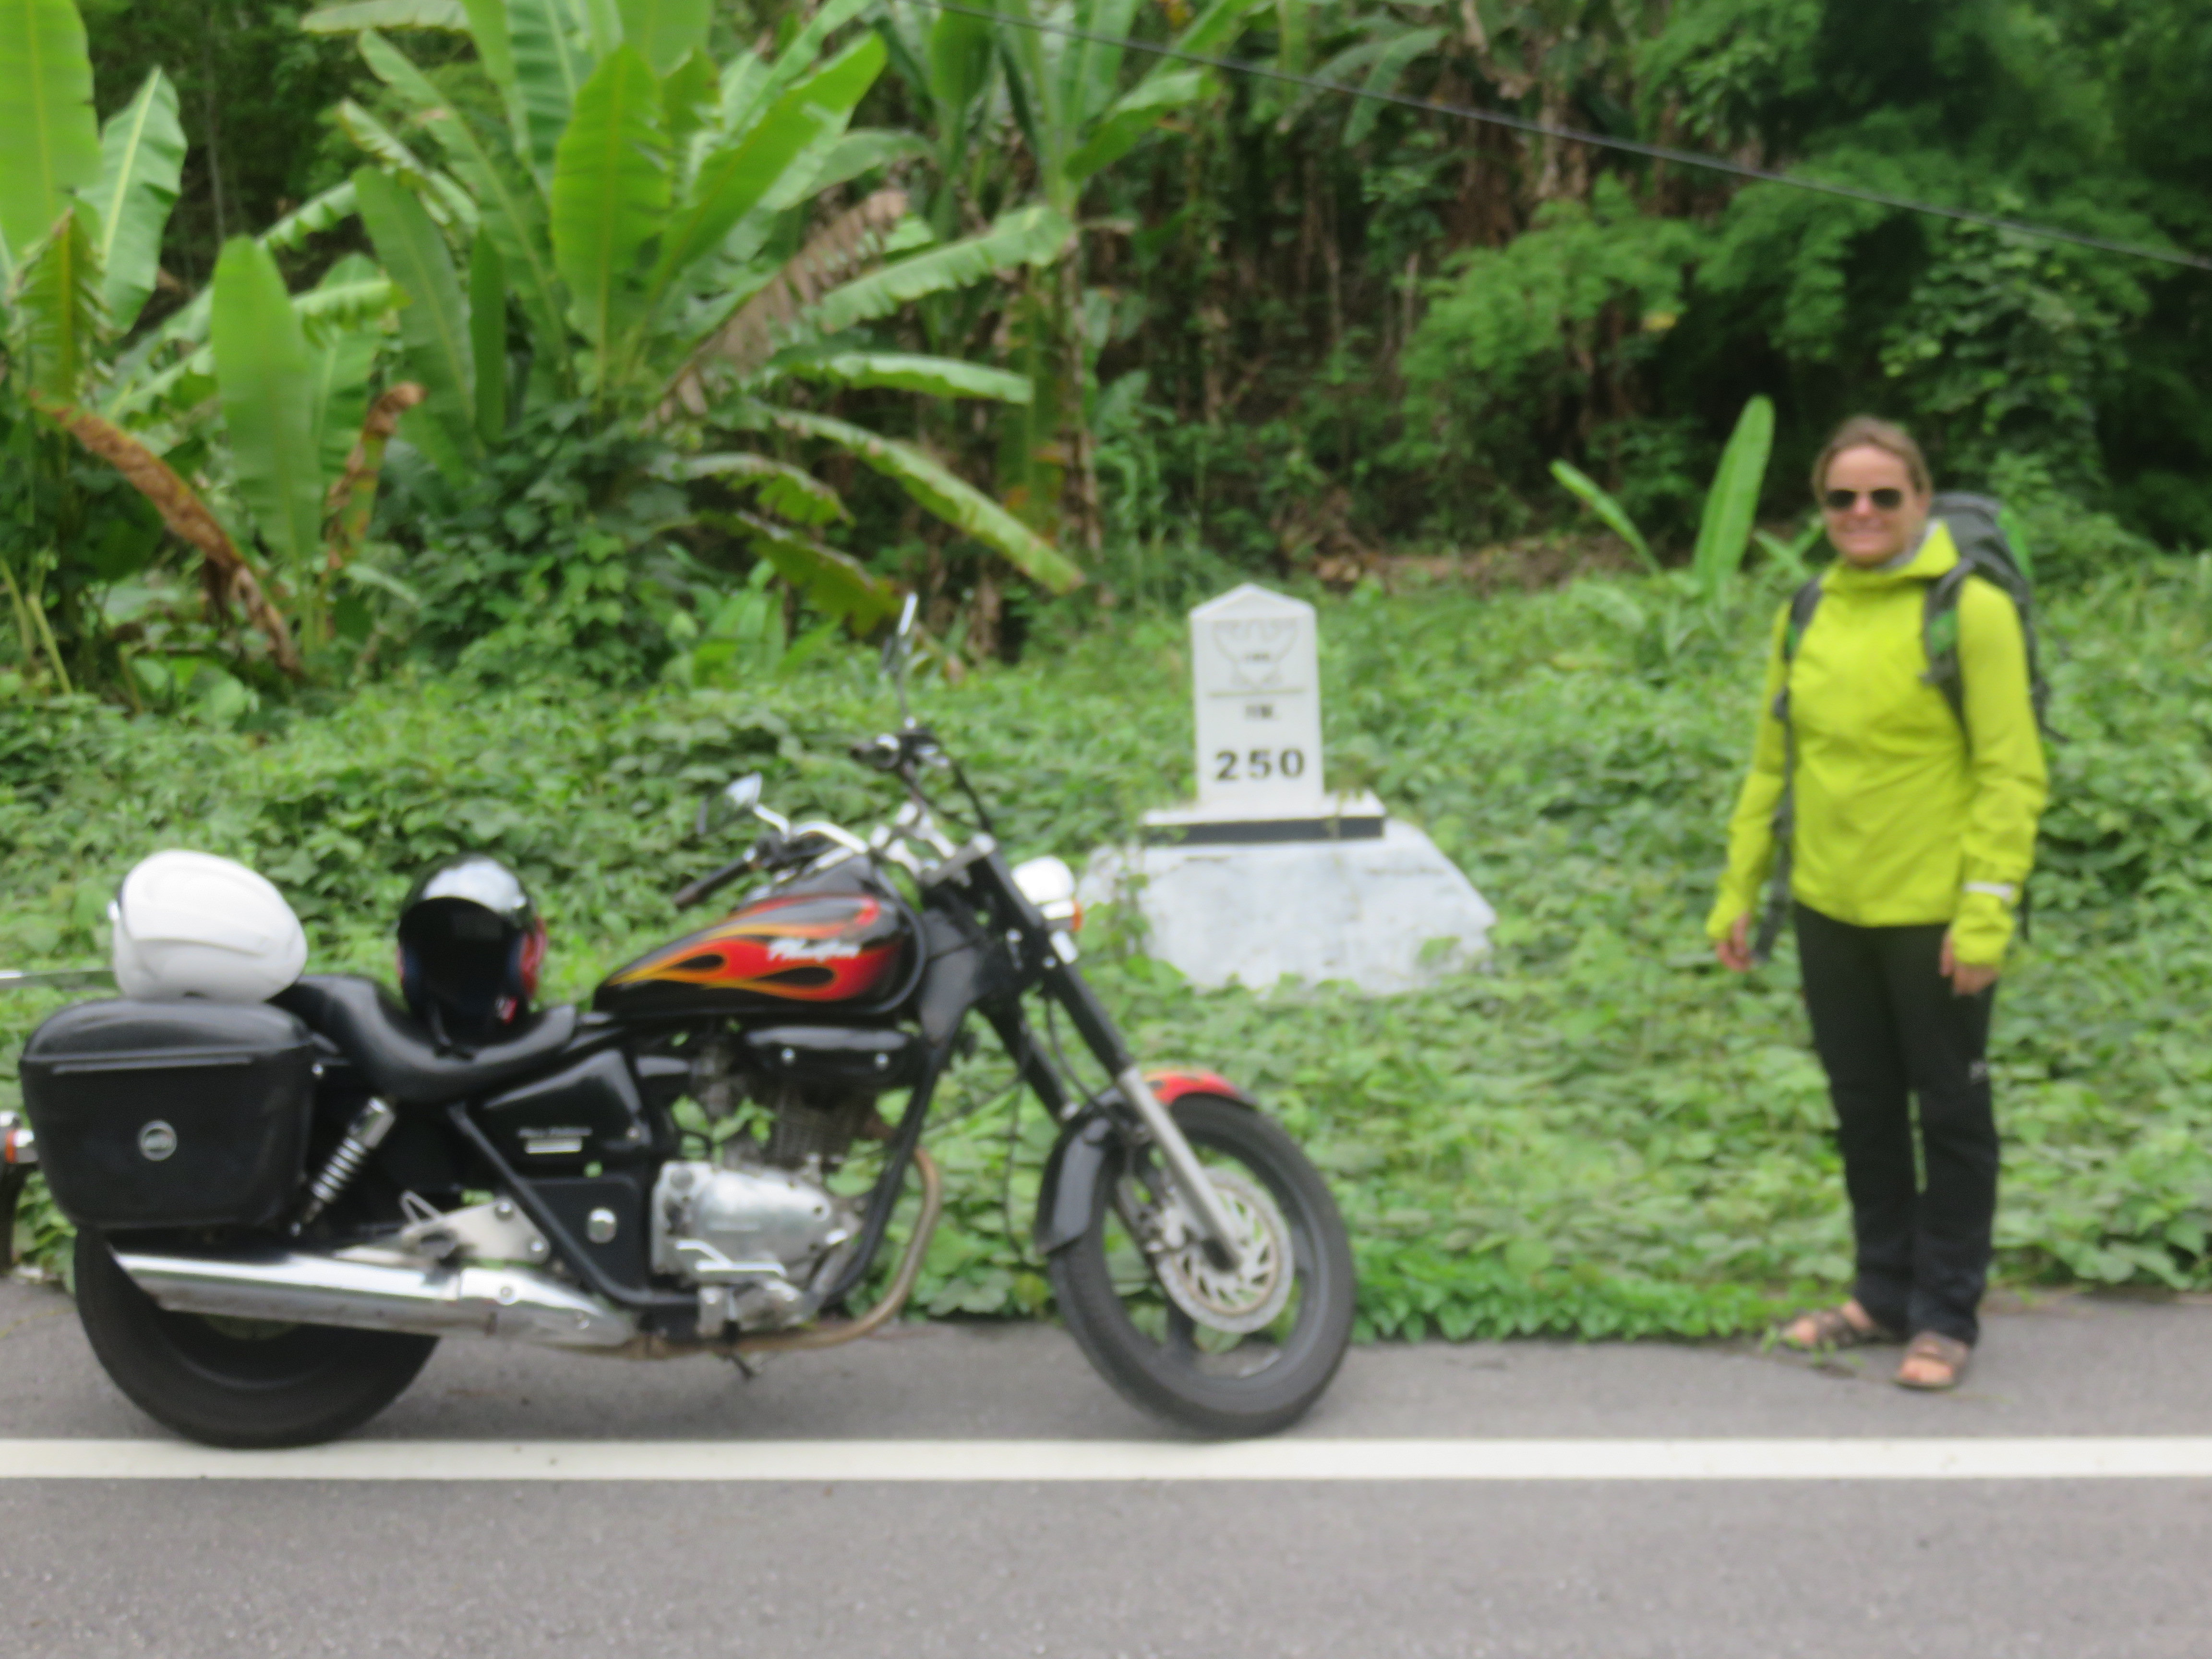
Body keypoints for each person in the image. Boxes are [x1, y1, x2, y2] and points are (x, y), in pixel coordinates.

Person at [1707, 416, 2047, 1391]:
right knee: (1863, 1110)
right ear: (1823, 508)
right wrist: (1740, 891)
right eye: (1842, 497)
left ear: (1921, 502)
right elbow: (1773, 763)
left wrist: (1985, 915)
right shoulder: (1808, 609)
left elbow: (2012, 773)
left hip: (1934, 917)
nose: (1862, 512)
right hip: (1830, 909)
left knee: (1952, 1113)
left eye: (1883, 496)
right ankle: (1881, 1294)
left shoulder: (1969, 610)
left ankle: (1945, 1317)